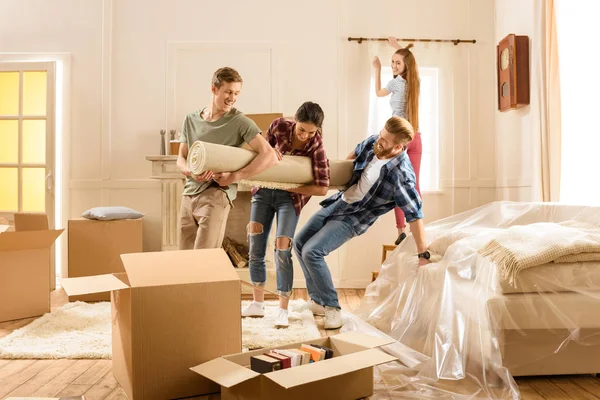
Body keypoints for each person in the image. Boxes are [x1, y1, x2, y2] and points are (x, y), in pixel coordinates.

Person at [294, 116, 430, 329]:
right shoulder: (374, 142)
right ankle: (318, 301)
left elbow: (415, 213)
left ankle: (332, 308)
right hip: (340, 202)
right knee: (299, 243)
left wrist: (423, 254)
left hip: (355, 217)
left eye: (385, 140)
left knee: (313, 251)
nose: (379, 140)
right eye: (381, 134)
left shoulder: (401, 174)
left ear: (398, 146)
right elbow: (352, 158)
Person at [241, 102, 330, 328]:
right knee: (255, 246)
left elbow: (322, 188)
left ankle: (282, 309)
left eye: (312, 132)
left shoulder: (317, 144)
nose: (306, 136)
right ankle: (257, 304)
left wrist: (292, 188)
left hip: (290, 198)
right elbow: (261, 155)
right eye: (302, 130)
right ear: (295, 120)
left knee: (282, 250)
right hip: (263, 191)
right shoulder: (278, 126)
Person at [177, 67, 278, 250]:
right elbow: (181, 158)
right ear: (214, 89)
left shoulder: (239, 121)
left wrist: (235, 177)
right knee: (183, 258)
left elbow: (270, 155)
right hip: (188, 194)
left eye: (236, 93)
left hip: (216, 194)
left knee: (204, 258)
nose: (232, 98)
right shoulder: (190, 119)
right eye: (228, 92)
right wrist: (190, 172)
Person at [372, 38, 423, 245]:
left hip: (400, 139)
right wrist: (399, 49)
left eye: (397, 63)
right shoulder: (415, 82)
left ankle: (401, 229)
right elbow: (410, 61)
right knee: (414, 185)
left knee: (397, 184)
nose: (393, 66)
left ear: (405, 66)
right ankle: (415, 229)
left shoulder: (395, 83)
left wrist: (377, 69)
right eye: (392, 62)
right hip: (416, 137)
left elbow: (378, 93)